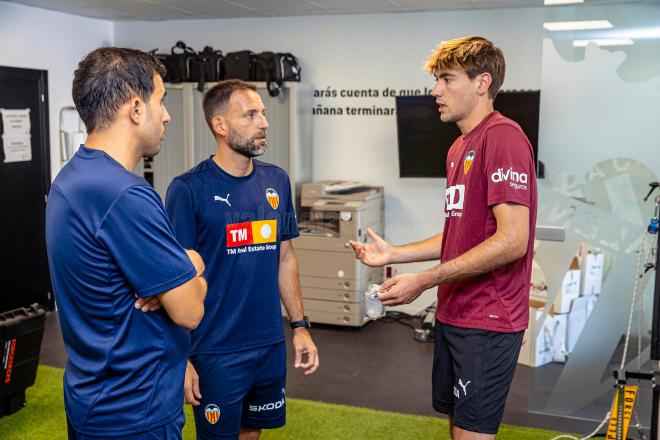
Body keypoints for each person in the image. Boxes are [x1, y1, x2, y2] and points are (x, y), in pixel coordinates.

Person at [349, 36, 537, 439]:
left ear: (482, 83)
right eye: (437, 80)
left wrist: (424, 279)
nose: (436, 91)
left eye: (447, 79)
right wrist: (396, 253)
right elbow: (461, 233)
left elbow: (512, 240)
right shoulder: (458, 147)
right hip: (455, 313)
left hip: (488, 319)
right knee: (458, 429)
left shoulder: (503, 137)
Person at [45, 47, 208, 440]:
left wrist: (179, 271)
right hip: (135, 412)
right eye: (161, 100)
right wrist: (193, 264)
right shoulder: (125, 195)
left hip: (94, 399)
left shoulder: (71, 179)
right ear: (136, 108)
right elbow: (189, 310)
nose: (167, 115)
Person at [165, 80, 319, 440]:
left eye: (262, 113)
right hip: (214, 349)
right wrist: (181, 357)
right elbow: (174, 280)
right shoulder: (188, 189)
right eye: (250, 115)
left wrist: (300, 327)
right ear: (220, 125)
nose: (263, 122)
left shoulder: (276, 181)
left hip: (268, 344)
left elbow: (284, 258)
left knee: (252, 433)